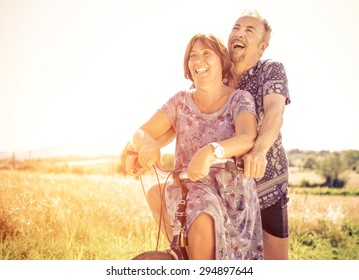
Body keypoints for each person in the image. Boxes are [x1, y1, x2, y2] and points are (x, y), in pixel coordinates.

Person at [142, 9, 291, 260]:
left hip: (263, 178)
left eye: (249, 30)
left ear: (262, 46)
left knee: (274, 263)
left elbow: (275, 113)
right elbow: (181, 123)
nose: (239, 33)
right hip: (212, 181)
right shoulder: (210, 76)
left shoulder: (269, 70)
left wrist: (257, 152)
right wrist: (145, 147)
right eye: (236, 28)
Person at [126, 33, 263, 260]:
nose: (198, 60)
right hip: (187, 188)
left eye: (207, 54)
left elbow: (247, 137)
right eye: (192, 56)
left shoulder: (239, 99)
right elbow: (142, 132)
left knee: (201, 209)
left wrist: (211, 152)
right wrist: (148, 146)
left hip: (228, 195)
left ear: (222, 61)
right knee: (156, 193)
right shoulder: (180, 101)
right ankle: (183, 255)